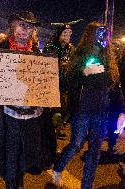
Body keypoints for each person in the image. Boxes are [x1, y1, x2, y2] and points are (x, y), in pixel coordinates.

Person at [52, 22, 125, 189]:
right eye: (100, 33)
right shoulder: (80, 54)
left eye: (106, 35)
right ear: (91, 35)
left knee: (95, 150)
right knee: (76, 144)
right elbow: (66, 81)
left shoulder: (109, 58)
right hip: (83, 109)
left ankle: (86, 186)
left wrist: (122, 111)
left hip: (102, 111)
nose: (104, 38)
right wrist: (83, 73)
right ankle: (58, 168)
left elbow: (116, 85)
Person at [0, 11, 50, 189]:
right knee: (11, 150)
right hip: (8, 112)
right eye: (21, 25)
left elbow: (42, 83)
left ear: (33, 31)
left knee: (27, 151)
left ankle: (18, 179)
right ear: (13, 27)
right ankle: (12, 183)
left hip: (31, 113)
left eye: (29, 27)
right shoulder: (1, 49)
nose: (24, 30)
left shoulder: (37, 54)